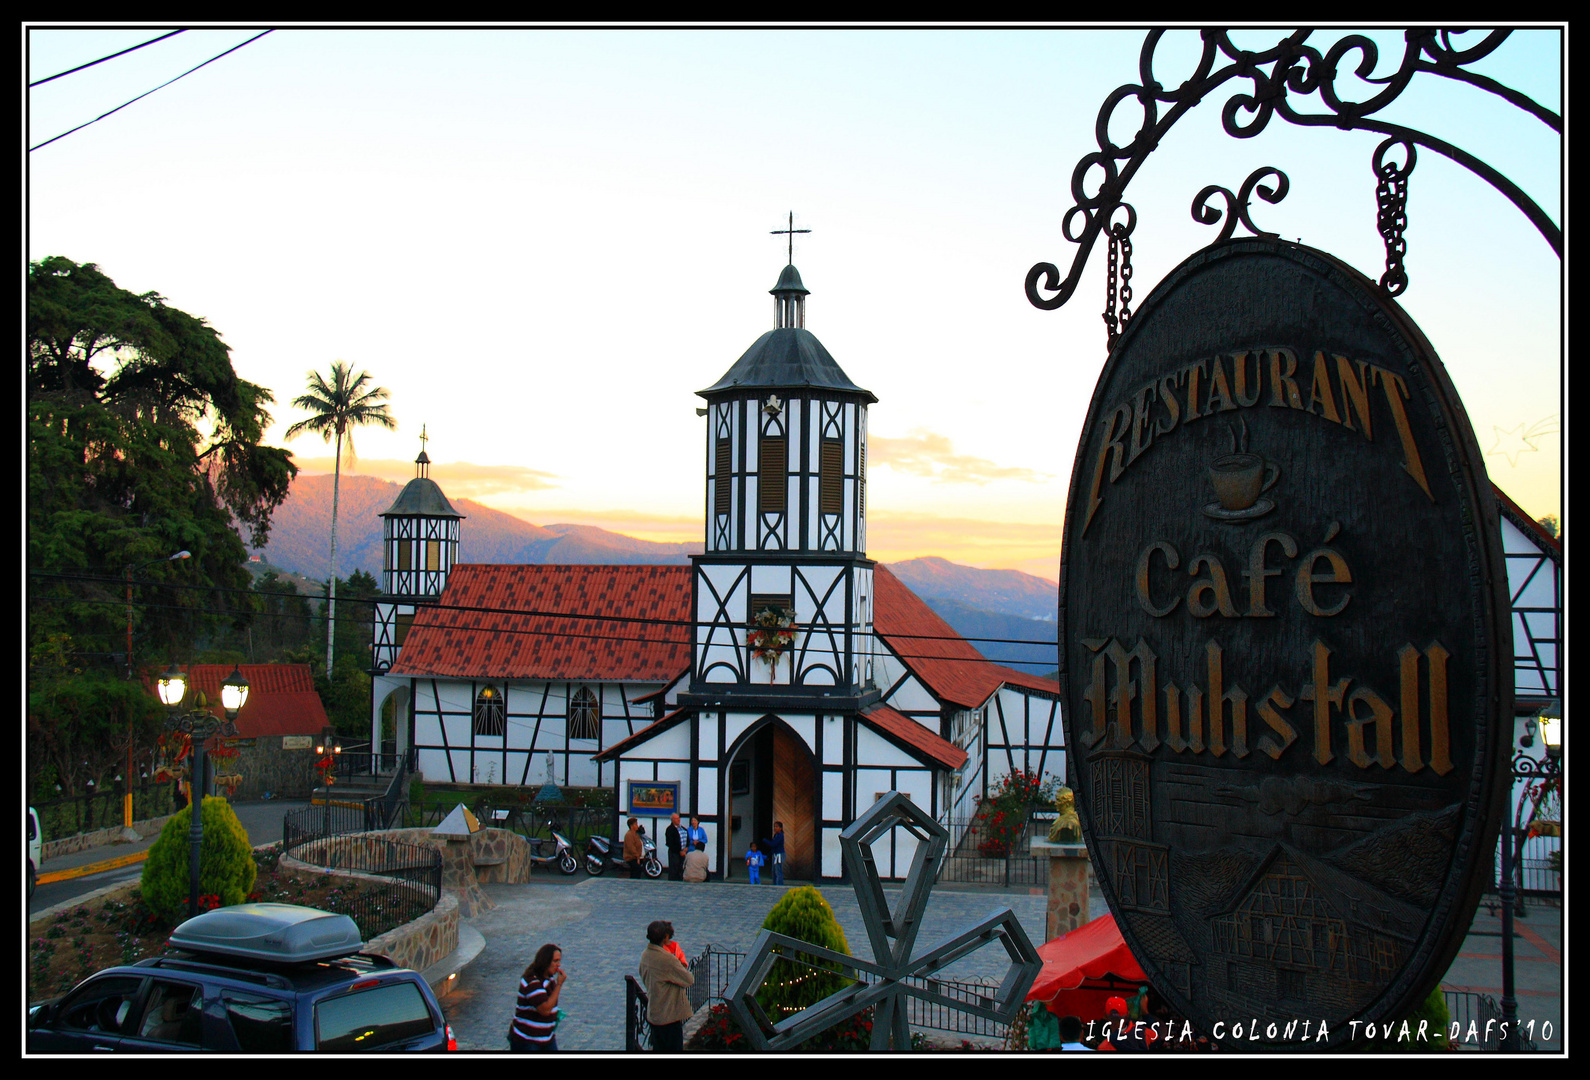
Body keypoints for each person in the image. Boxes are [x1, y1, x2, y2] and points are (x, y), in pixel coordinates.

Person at [638, 920, 695, 1052]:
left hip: (654, 1013)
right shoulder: (667, 959)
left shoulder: (645, 955)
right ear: (665, 937)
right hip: (669, 1016)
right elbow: (689, 980)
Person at [508, 943, 565, 1052]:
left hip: (546, 1039)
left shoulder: (549, 980)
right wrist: (559, 985)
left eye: (559, 961)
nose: (558, 965)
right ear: (546, 961)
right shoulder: (532, 982)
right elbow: (545, 1009)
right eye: (555, 961)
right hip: (527, 1041)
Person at [665, 812, 687, 882]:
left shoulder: (683, 828)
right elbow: (670, 843)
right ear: (672, 820)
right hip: (674, 853)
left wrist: (686, 848)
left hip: (683, 852)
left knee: (681, 869)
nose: (678, 820)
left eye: (679, 818)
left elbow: (687, 838)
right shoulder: (670, 829)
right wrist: (679, 851)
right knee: (674, 869)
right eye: (676, 819)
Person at [766, 821, 786, 885]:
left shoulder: (780, 835)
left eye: (777, 826)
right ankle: (774, 884)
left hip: (779, 855)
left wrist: (765, 841)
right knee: (774, 871)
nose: (775, 828)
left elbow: (774, 844)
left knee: (778, 871)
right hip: (775, 854)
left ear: (780, 828)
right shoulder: (776, 835)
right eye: (774, 826)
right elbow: (773, 848)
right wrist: (769, 855)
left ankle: (779, 885)